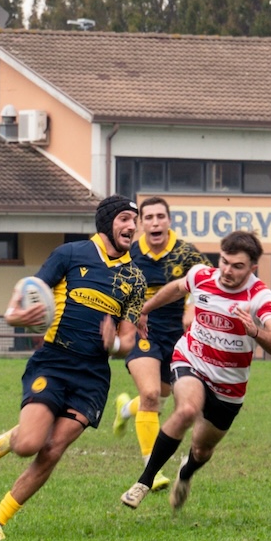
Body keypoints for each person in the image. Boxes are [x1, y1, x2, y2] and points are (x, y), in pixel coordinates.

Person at [0, 195, 146, 541]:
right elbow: (28, 293)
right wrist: (16, 318)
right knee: (28, 445)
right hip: (53, 362)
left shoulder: (135, 278)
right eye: (125, 219)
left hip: (93, 377)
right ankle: (16, 436)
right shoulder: (69, 255)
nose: (132, 226)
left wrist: (113, 344)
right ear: (106, 222)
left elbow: (128, 341)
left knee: (52, 449)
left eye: (135, 220)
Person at [121, 231, 271, 511]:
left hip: (229, 387)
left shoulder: (260, 298)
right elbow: (176, 288)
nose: (227, 271)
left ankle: (185, 474)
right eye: (224, 261)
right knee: (186, 410)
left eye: (237, 266)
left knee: (201, 449)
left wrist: (255, 331)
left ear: (252, 269)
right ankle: (144, 482)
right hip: (191, 360)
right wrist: (144, 309)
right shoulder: (201, 275)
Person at [111, 197, 210, 493]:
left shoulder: (186, 253)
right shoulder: (128, 254)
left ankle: (126, 409)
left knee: (160, 397)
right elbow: (113, 288)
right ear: (141, 223)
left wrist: (191, 307)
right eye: (149, 217)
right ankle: (150, 471)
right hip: (142, 331)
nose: (155, 222)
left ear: (168, 221)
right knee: (152, 394)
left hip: (177, 337)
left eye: (160, 217)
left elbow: (207, 283)